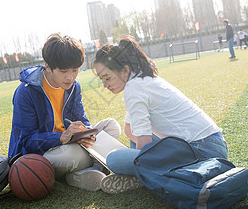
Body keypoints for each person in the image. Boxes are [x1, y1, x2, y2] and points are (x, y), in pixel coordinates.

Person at [93, 35, 228, 194]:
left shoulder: (134, 89)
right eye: (102, 79)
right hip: (212, 145)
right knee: (132, 142)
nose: (105, 85)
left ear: (125, 70)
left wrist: (136, 160)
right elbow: (130, 131)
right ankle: (144, 176)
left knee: (113, 159)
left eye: (107, 78)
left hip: (202, 152)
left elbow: (144, 145)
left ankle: (146, 176)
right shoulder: (143, 78)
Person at [8, 33, 121, 192]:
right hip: (42, 155)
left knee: (112, 126)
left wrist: (86, 132)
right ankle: (92, 166)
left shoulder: (74, 86)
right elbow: (26, 141)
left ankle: (90, 170)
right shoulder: (26, 92)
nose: (70, 77)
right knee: (72, 156)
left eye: (75, 70)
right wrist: (61, 137)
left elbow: (81, 119)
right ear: (48, 66)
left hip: (71, 143)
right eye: (63, 71)